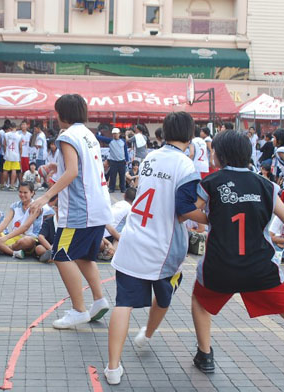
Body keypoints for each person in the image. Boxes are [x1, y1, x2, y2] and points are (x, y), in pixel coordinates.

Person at [190, 130, 284, 392]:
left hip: (220, 266)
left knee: (199, 301)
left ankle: (205, 355)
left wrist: (213, 218)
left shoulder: (210, 182)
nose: (211, 154)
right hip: (260, 267)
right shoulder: (266, 185)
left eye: (213, 150)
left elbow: (188, 210)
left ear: (221, 154)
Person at [104, 112, 202, 385]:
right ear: (190, 134)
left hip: (133, 239)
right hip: (163, 247)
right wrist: (210, 216)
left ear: (165, 132)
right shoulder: (185, 165)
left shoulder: (149, 157)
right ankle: (147, 334)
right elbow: (184, 211)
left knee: (123, 303)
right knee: (165, 295)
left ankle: (112, 367)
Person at [30, 94, 113, 330]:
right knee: (85, 257)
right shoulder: (88, 134)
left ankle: (79, 309)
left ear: (62, 114)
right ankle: (99, 300)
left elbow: (73, 171)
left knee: (61, 254)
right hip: (98, 205)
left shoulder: (66, 136)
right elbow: (80, 166)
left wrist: (45, 196)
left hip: (80, 209)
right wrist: (57, 166)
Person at [0, 182, 42, 259]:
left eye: (25, 192)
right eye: (20, 192)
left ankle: (6, 249)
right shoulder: (15, 205)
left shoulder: (35, 207)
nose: (22, 195)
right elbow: (5, 221)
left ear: (32, 193)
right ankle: (15, 252)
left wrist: (5, 238)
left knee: (25, 241)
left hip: (30, 238)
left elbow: (25, 227)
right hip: (14, 237)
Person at [96, 128, 128, 193]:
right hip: (113, 161)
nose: (115, 135)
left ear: (119, 134)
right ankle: (111, 188)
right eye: (113, 134)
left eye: (116, 134)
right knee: (113, 175)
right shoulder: (110, 141)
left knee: (122, 176)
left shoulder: (123, 141)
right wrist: (97, 133)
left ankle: (123, 188)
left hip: (122, 161)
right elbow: (100, 138)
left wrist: (127, 159)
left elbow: (125, 151)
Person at [35, 195, 58, 263]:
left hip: (63, 247)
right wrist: (51, 249)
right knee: (39, 248)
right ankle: (52, 256)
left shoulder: (69, 222)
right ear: (55, 208)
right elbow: (41, 237)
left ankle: (52, 258)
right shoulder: (49, 221)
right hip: (49, 246)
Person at [2, 122, 22, 190]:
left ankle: (5, 184)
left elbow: (4, 145)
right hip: (16, 155)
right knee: (14, 170)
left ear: (10, 127)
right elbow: (20, 147)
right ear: (16, 127)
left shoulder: (6, 134)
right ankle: (12, 185)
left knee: (5, 169)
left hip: (8, 154)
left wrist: (5, 152)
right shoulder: (19, 136)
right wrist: (20, 155)